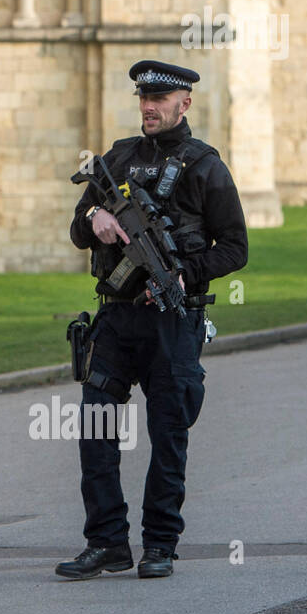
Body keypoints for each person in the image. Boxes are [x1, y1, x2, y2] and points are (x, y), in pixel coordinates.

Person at [57, 60, 248, 580]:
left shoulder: (206, 165)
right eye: (144, 98)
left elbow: (235, 248)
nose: (149, 107)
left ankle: (160, 543)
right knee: (95, 428)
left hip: (171, 321)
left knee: (168, 434)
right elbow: (78, 228)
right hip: (117, 320)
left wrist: (187, 272)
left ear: (184, 103)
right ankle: (107, 544)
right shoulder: (117, 159)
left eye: (160, 100)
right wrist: (93, 218)